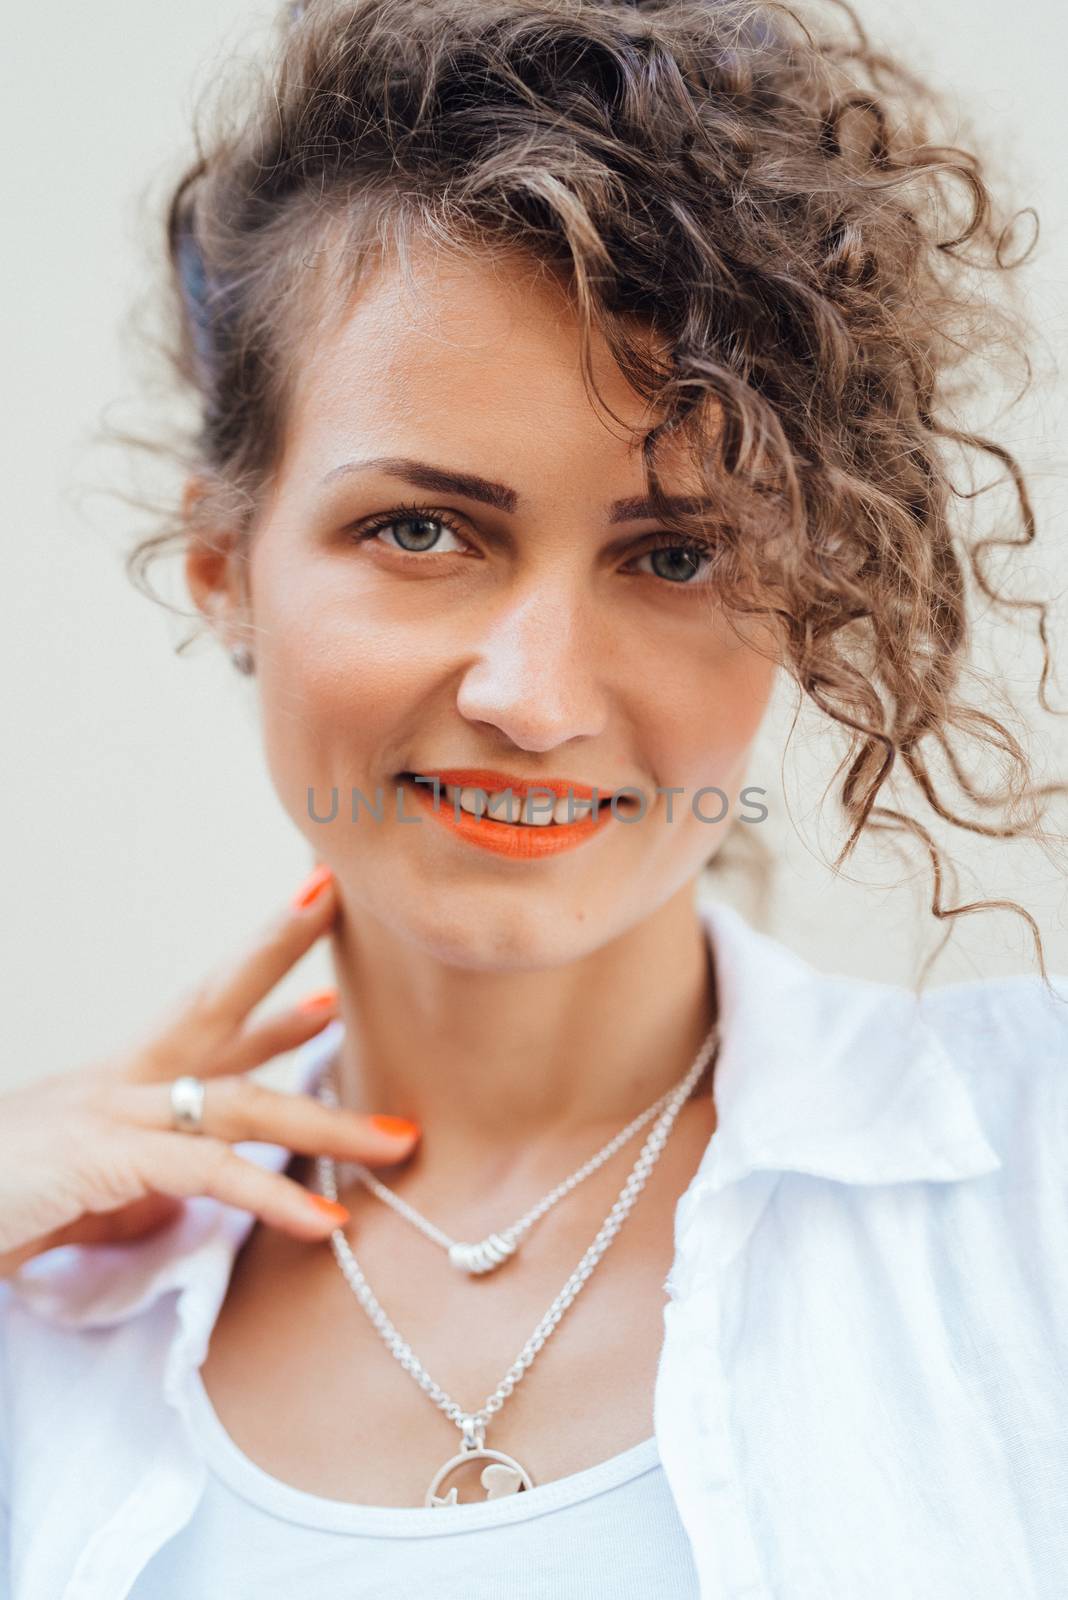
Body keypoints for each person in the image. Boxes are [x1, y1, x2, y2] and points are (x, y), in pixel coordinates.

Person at [2, 0, 1067, 1594]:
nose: (535, 695)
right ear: (227, 564)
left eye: (677, 555)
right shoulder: (42, 1297)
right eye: (424, 532)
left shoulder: (1035, 1170)